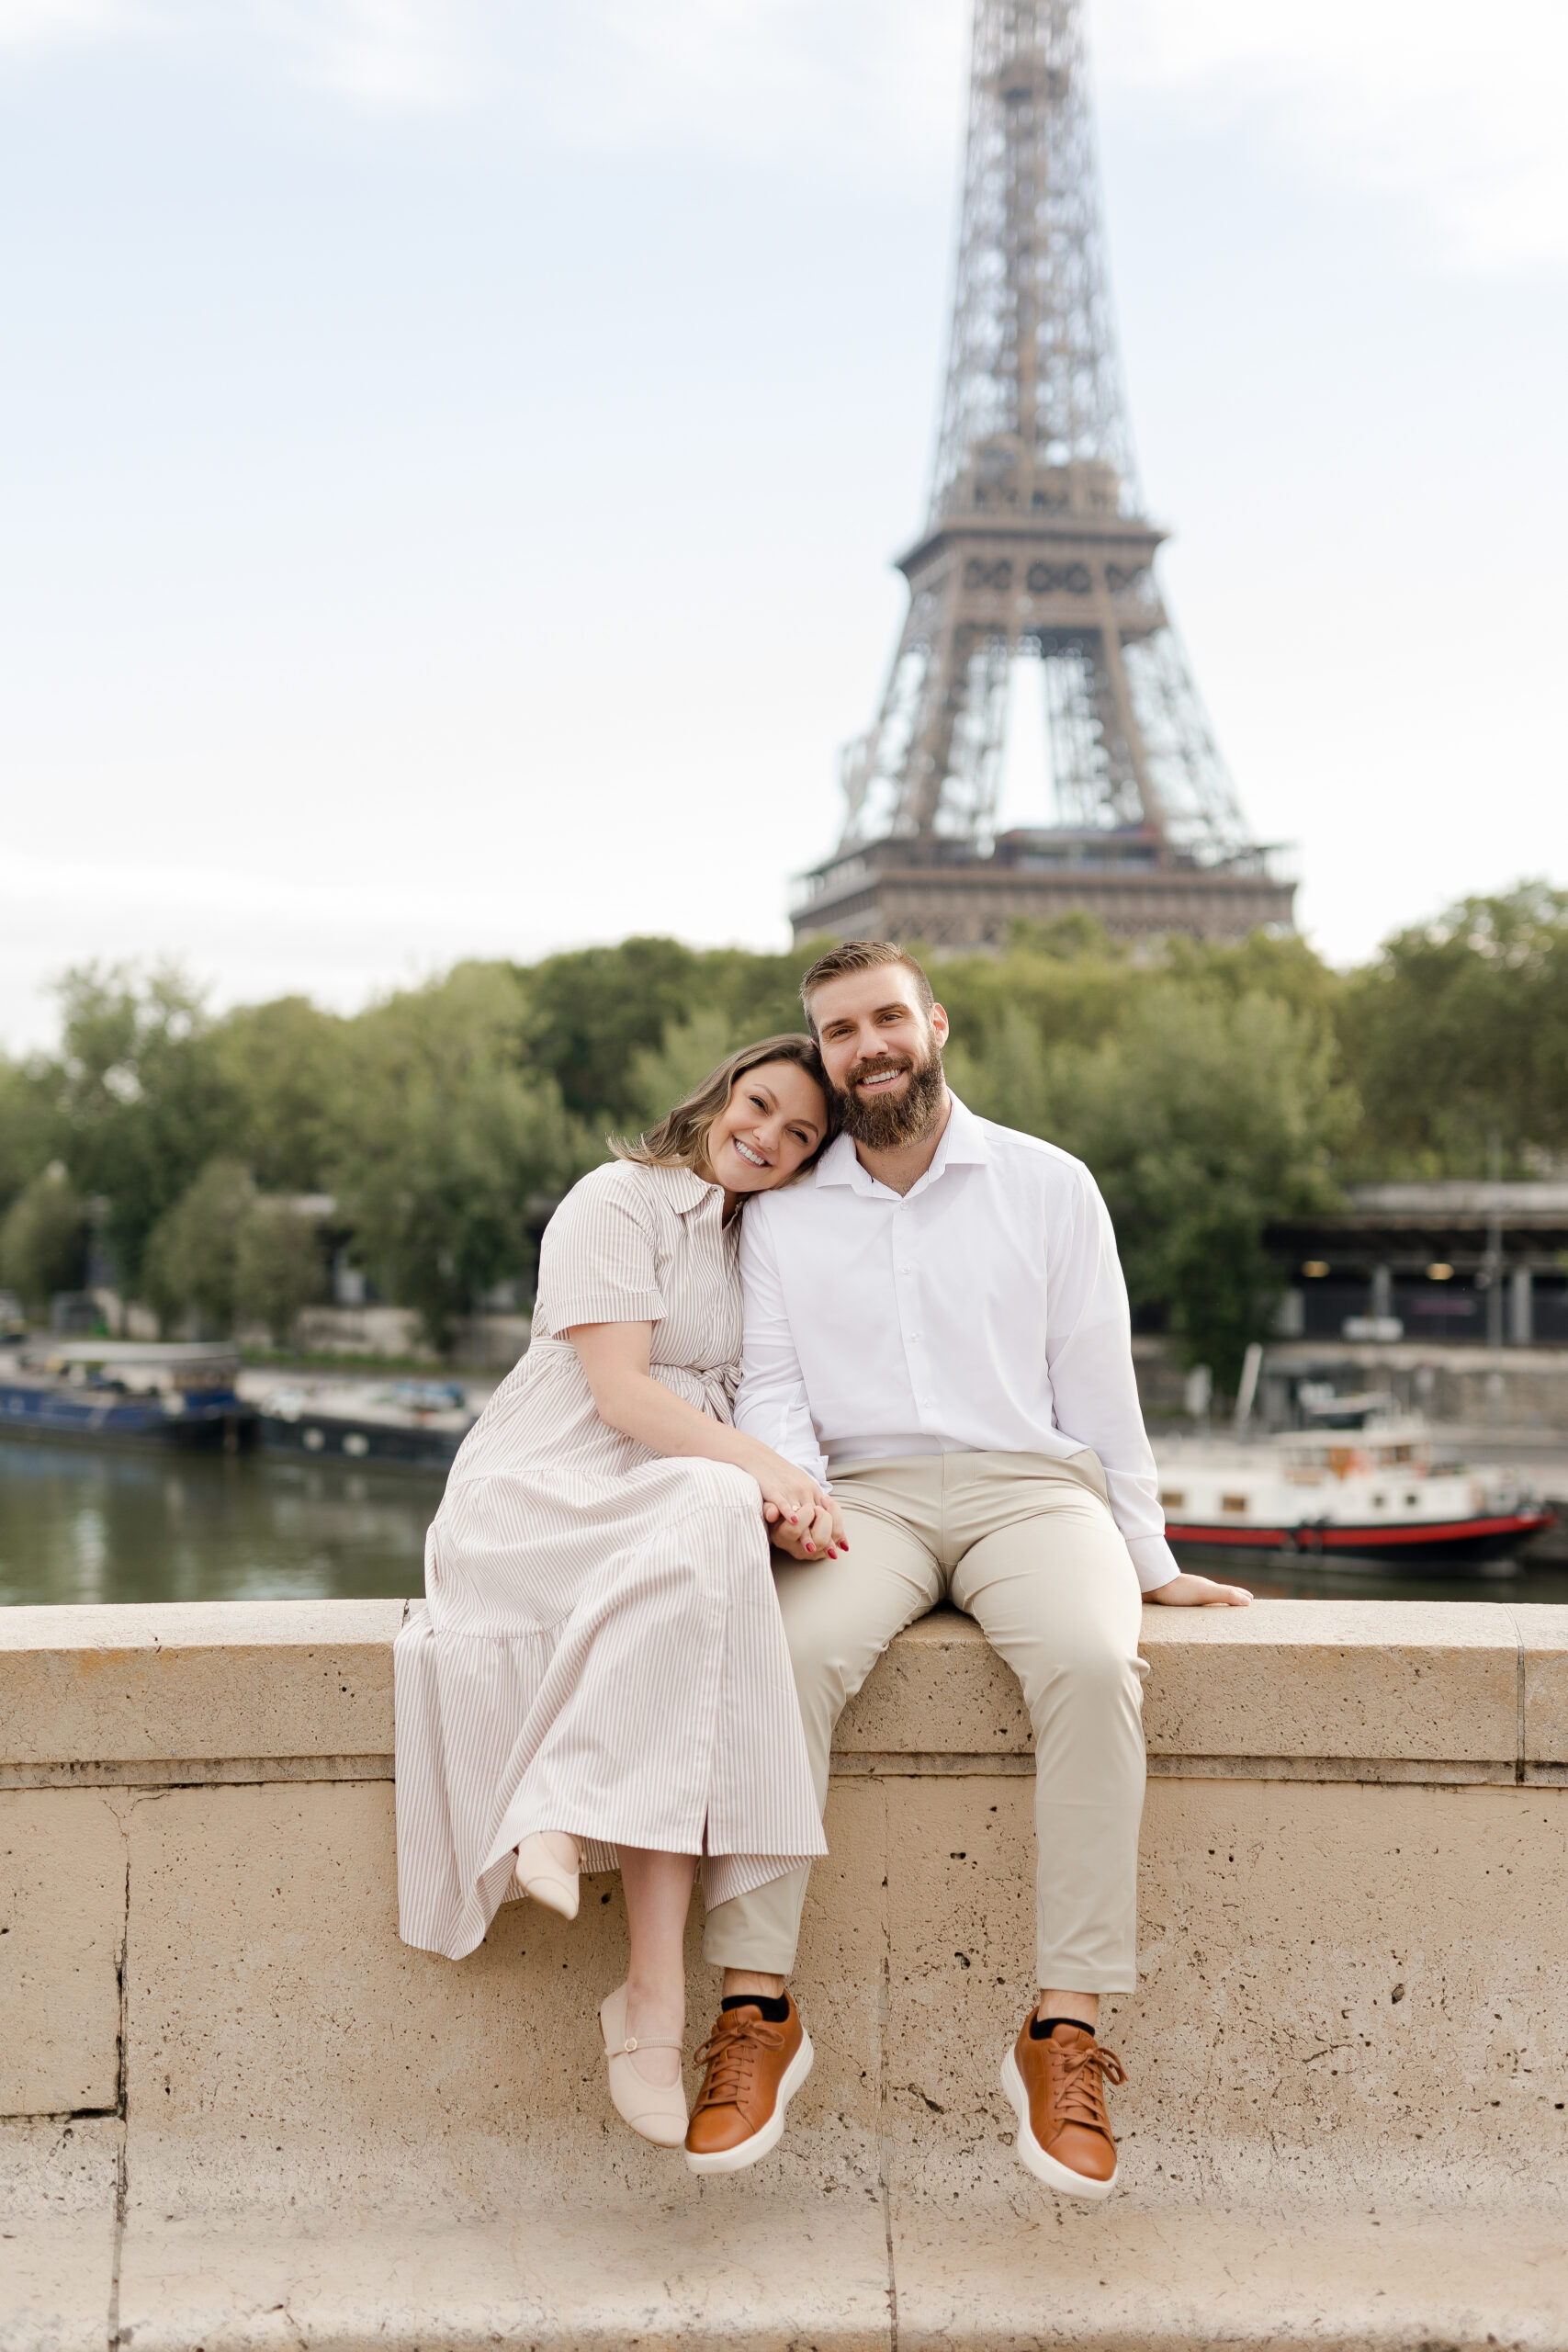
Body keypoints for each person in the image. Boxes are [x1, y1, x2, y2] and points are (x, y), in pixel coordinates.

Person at [683, 941, 1249, 2195]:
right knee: (786, 1654)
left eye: (885, 1017)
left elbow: (1099, 1385)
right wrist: (790, 1496)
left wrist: (1148, 1558)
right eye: (838, 1031)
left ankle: (1064, 2028)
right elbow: (771, 1382)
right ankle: (753, 2011)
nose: (867, 1043)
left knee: (1097, 1664)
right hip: (861, 1500)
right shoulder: (780, 1215)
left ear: (932, 1023)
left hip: (1031, 1492)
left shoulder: (1049, 1186)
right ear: (823, 1059)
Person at [394, 1035, 841, 2161]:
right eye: (761, 1106)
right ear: (720, 1092)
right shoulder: (619, 1198)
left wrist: (782, 1483)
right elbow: (621, 1394)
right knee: (706, 1512)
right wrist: (768, 1475)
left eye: (800, 1138)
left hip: (677, 1495)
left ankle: (643, 1979)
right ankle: (639, 1986)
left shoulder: (773, 1238)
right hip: (551, 1490)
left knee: (698, 1570)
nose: (770, 1140)